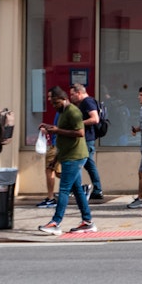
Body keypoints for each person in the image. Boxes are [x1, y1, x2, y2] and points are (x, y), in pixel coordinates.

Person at [37, 86, 96, 235]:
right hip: (67, 155)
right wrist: (55, 159)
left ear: (64, 99)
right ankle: (87, 222)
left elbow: (80, 132)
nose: (54, 106)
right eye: (52, 103)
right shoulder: (62, 112)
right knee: (77, 191)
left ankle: (55, 223)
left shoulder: (73, 112)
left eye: (56, 103)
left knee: (63, 190)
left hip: (75, 156)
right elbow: (62, 137)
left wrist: (56, 130)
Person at [69, 82, 104, 200]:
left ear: (79, 93)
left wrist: (78, 124)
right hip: (87, 138)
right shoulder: (86, 102)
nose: (71, 97)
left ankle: (92, 189)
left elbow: (95, 119)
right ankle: (97, 189)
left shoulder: (87, 102)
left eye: (73, 94)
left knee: (79, 163)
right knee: (88, 164)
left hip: (87, 139)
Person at [36, 110, 61, 208]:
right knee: (58, 172)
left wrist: (47, 129)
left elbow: (59, 129)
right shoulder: (60, 111)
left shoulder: (63, 112)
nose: (50, 100)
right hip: (57, 144)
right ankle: (80, 187)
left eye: (52, 97)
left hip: (56, 145)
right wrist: (47, 126)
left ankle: (50, 198)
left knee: (50, 169)